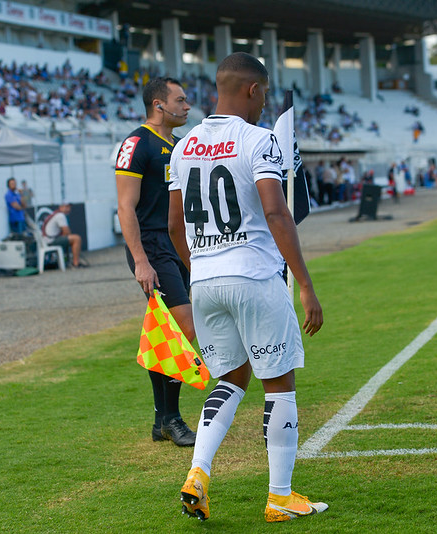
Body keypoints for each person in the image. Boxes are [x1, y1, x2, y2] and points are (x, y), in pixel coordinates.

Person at [168, 52, 327, 524]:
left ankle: (198, 472)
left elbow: (175, 226)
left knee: (231, 379)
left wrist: (201, 267)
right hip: (255, 276)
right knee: (278, 383)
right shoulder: (259, 139)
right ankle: (279, 496)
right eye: (264, 95)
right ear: (254, 91)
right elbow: (277, 213)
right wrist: (305, 285)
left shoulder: (183, 146)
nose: (264, 104)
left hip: (205, 281)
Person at [115, 77, 197, 447]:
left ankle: (162, 420)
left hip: (176, 244)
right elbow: (125, 207)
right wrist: (140, 261)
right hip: (150, 246)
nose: (187, 106)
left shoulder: (178, 145)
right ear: (158, 105)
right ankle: (172, 417)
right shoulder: (137, 143)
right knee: (185, 329)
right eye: (180, 100)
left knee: (165, 332)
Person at [41, 203, 85, 268]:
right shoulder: (60, 215)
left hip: (48, 240)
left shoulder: (56, 214)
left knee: (71, 239)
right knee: (77, 239)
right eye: (66, 207)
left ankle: (69, 261)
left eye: (69, 207)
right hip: (51, 240)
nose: (68, 209)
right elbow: (67, 232)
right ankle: (76, 263)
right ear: (60, 207)